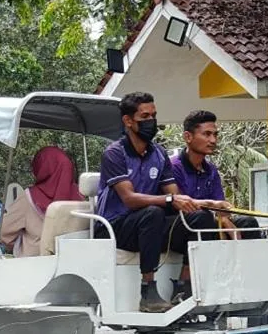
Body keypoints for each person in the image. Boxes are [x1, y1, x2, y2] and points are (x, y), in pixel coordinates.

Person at [94, 92, 219, 313]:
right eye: (145, 117)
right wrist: (171, 199)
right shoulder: (115, 153)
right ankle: (148, 291)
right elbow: (130, 200)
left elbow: (174, 196)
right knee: (152, 212)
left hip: (149, 226)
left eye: (154, 115)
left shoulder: (159, 154)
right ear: (128, 121)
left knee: (200, 217)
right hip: (115, 228)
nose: (152, 122)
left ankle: (184, 287)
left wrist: (202, 203)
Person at [170, 110, 261, 240]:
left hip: (208, 224)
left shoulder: (211, 170)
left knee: (248, 223)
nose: (213, 140)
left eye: (215, 135)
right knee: (202, 217)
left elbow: (221, 210)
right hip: (180, 226)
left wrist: (226, 221)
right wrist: (215, 207)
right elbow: (182, 206)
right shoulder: (173, 166)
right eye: (207, 134)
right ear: (188, 137)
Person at [0, 146, 83, 257]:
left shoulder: (29, 197)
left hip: (34, 265)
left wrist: (23, 244)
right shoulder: (80, 195)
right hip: (73, 260)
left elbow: (4, 232)